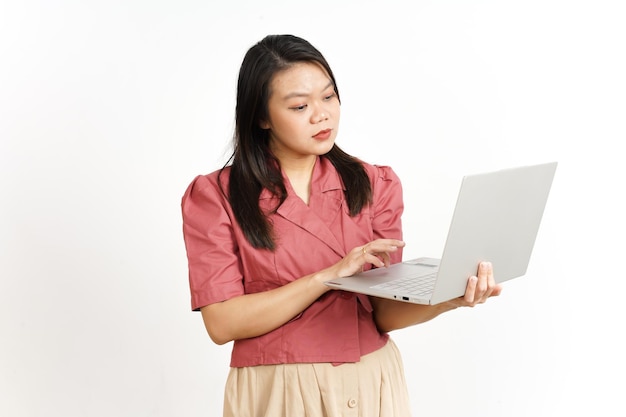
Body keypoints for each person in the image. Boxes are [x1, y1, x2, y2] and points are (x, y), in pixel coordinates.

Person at [181, 34, 502, 417]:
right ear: (261, 116)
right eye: (300, 105)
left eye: (329, 97)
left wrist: (449, 298)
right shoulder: (216, 195)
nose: (322, 115)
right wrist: (328, 277)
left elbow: (382, 313)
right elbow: (222, 323)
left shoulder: (374, 184)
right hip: (279, 391)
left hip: (373, 383)